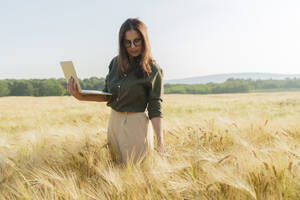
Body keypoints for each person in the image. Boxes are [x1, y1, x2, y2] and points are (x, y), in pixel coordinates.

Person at [66, 18, 164, 165]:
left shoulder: (153, 68)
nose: (132, 46)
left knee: (137, 175)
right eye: (127, 42)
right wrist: (80, 96)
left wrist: (161, 143)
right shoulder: (115, 63)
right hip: (114, 122)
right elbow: (108, 95)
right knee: (116, 168)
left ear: (144, 40)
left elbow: (155, 107)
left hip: (136, 124)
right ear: (121, 43)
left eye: (137, 41)